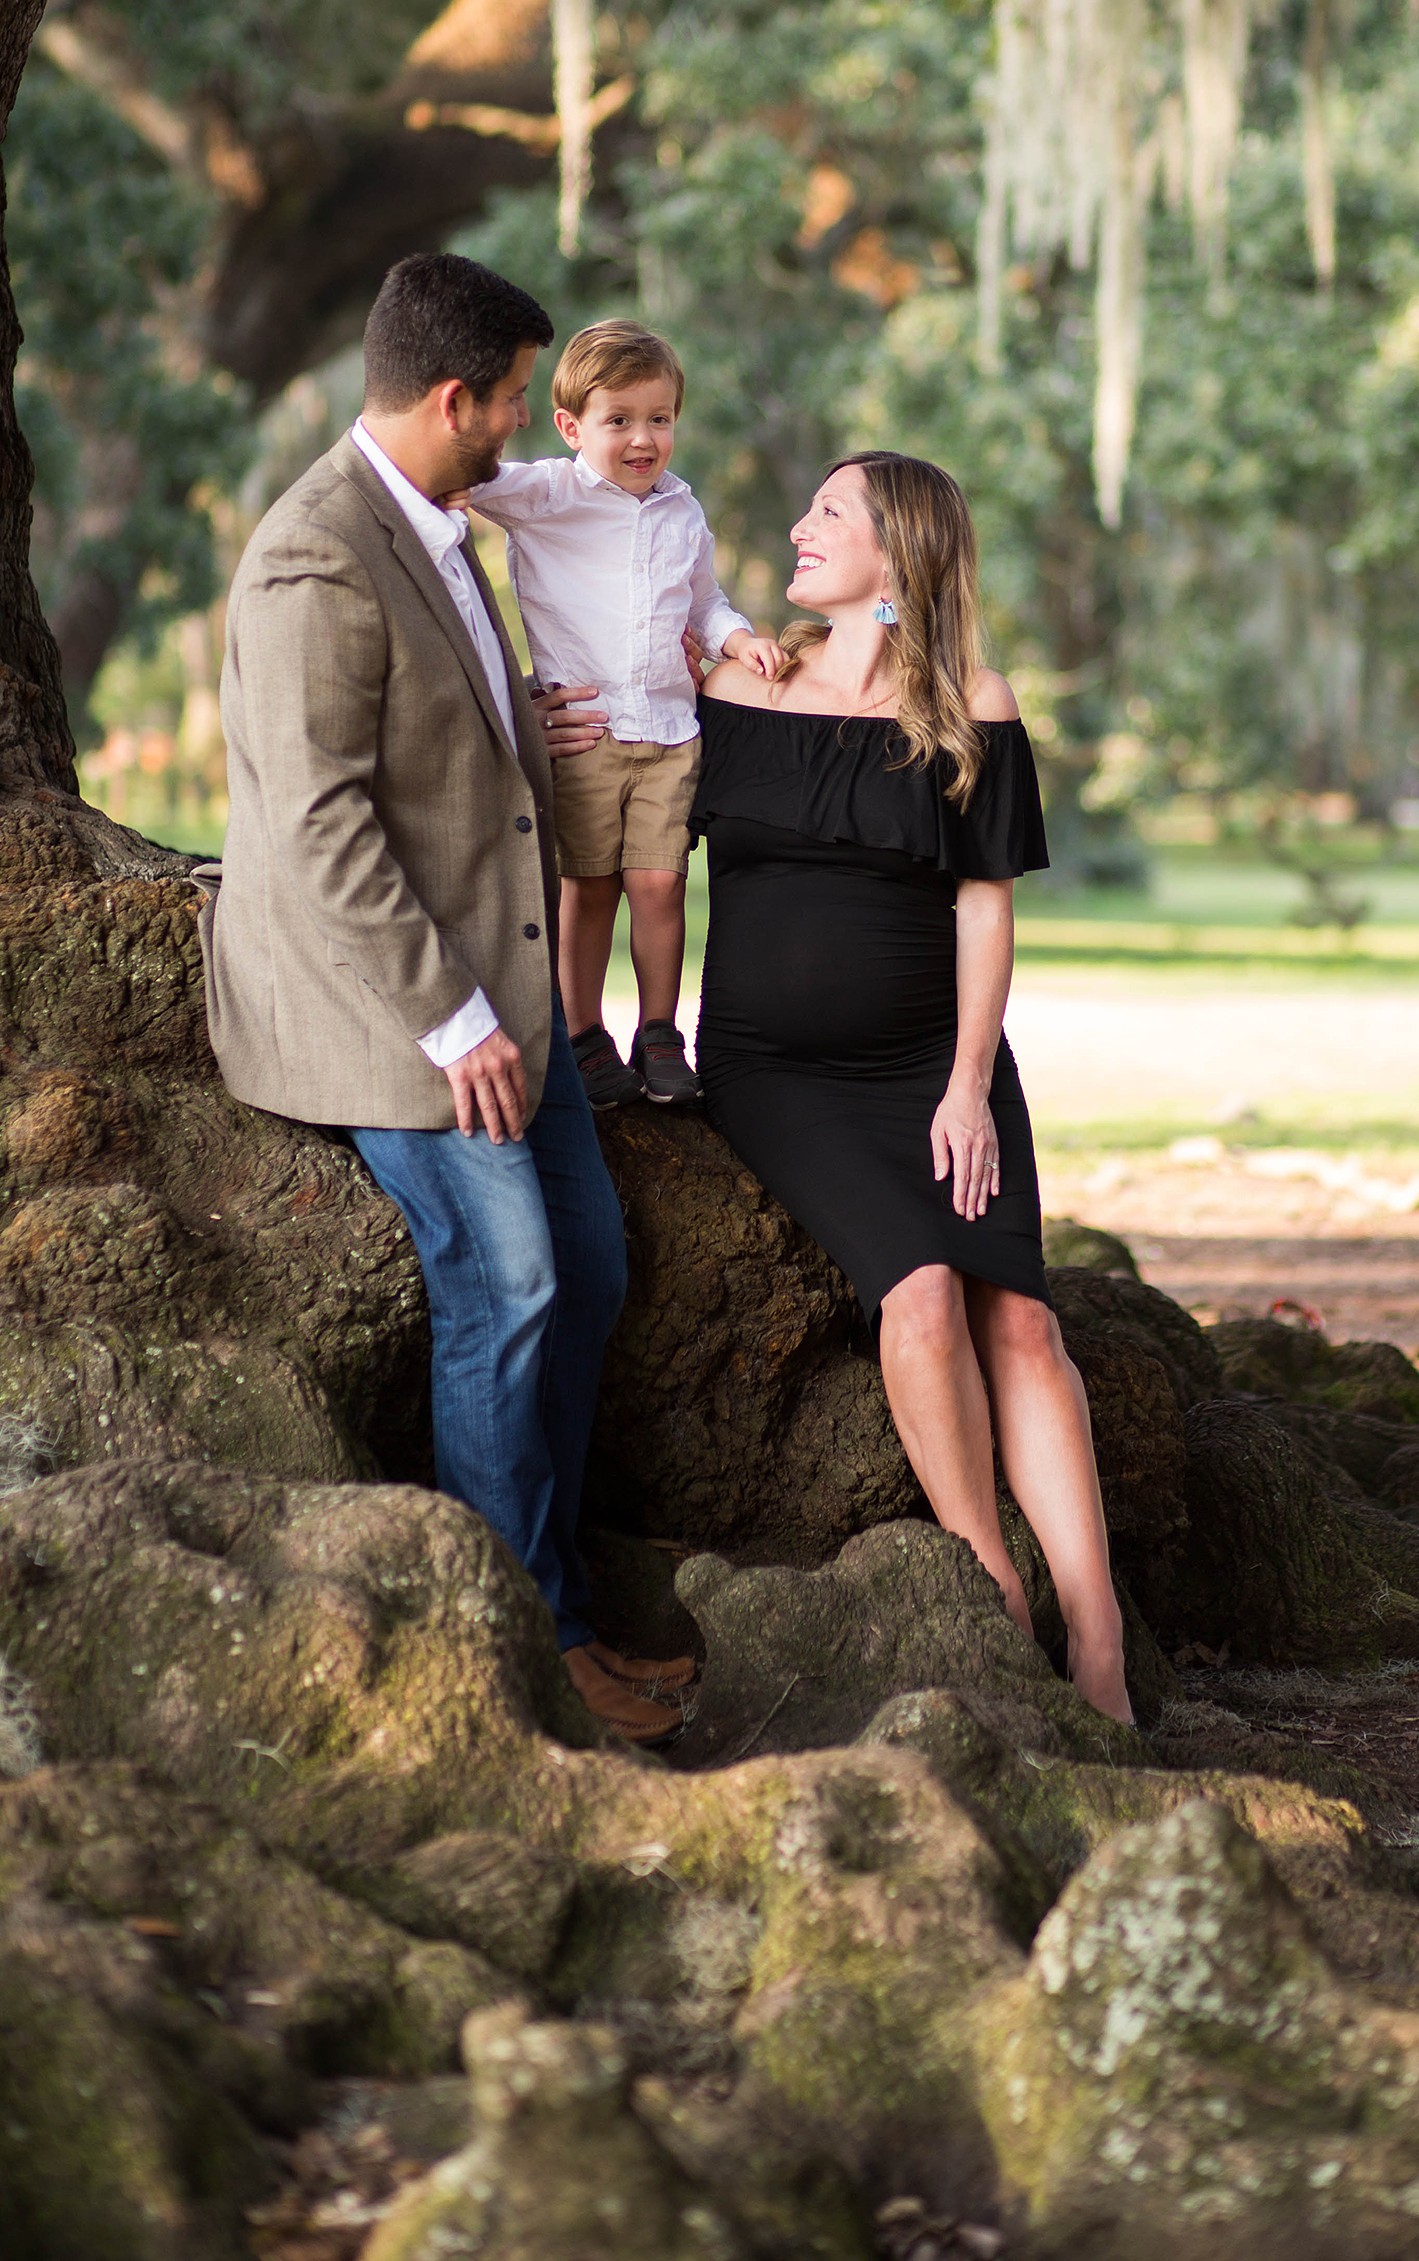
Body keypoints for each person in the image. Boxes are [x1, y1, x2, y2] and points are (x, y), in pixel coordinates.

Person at [200, 251, 688, 1746]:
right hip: (393, 1007)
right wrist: (454, 1019)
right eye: (519, 401)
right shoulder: (316, 554)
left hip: (501, 980)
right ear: (453, 397)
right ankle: (524, 1645)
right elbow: (319, 823)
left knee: (591, 1269)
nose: (531, 427)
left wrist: (530, 725)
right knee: (512, 1282)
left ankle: (561, 1602)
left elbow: (432, 726)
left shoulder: (438, 523)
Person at [693, 451, 1132, 1725]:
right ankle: (991, 1586)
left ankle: (1099, 1635)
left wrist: (965, 1086)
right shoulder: (736, 682)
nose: (799, 526)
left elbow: (982, 910)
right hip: (777, 1069)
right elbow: (614, 791)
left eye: (828, 511)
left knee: (1022, 1321)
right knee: (925, 1290)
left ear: (897, 550)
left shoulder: (971, 705)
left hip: (936, 1064)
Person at [467, 318, 779, 1111]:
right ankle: (582, 1035)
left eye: (660, 418)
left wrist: (738, 640)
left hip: (671, 733)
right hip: (587, 732)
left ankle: (659, 1033)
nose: (643, 438)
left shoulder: (683, 511)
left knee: (660, 883)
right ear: (571, 427)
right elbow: (452, 477)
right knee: (590, 886)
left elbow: (704, 602)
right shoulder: (546, 493)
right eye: (619, 420)